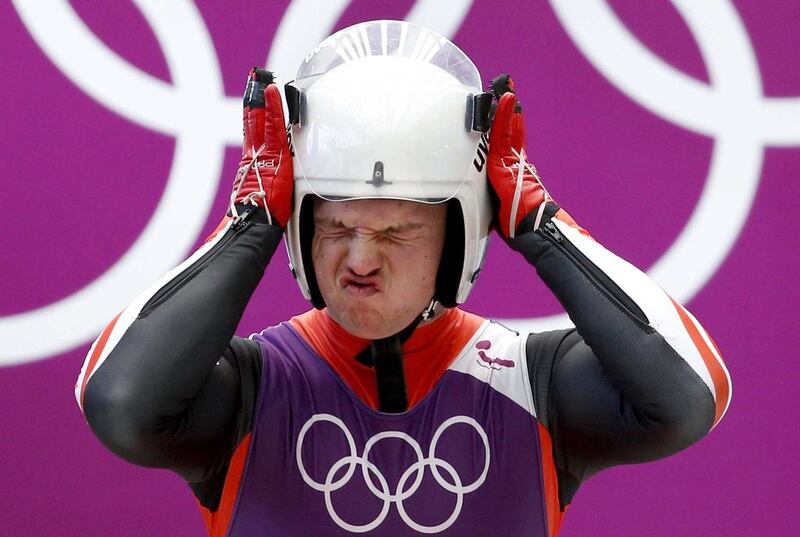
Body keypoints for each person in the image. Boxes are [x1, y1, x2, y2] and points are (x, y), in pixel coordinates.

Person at [75, 20, 731, 537]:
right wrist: (250, 223)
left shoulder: (536, 384)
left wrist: (539, 222)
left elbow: (689, 395)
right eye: (334, 227)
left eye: (396, 232)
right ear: (298, 226)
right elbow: (118, 400)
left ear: (458, 234)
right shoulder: (247, 389)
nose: (360, 259)